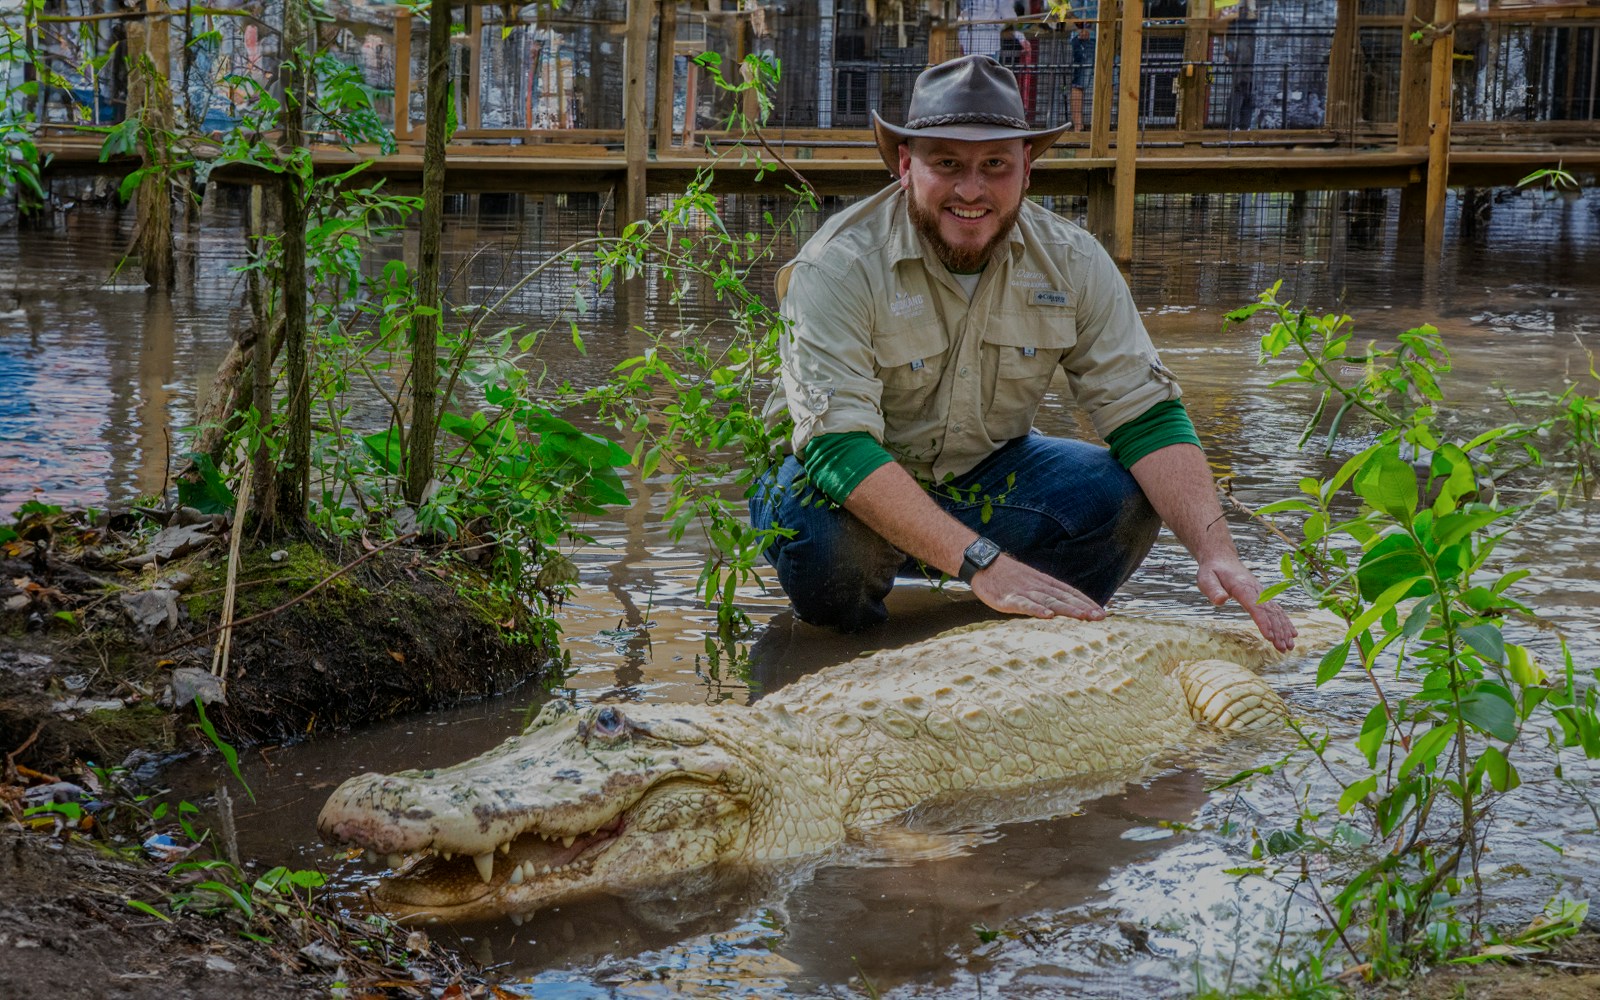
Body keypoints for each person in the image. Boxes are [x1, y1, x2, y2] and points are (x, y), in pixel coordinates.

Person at [748, 55, 1296, 652]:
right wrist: (984, 564)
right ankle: (855, 651)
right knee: (819, 542)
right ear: (906, 164)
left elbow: (1145, 414)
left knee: (1125, 499)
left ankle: (1027, 640)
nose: (971, 189)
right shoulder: (837, 265)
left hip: (987, 474)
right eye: (947, 163)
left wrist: (1219, 554)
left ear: (1026, 169)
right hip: (843, 489)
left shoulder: (1074, 260)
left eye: (995, 165)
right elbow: (836, 446)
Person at [1068, 0, 1097, 130]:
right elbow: (1069, 10)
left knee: (1110, 81)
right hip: (1085, 37)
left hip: (1107, 35)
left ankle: (1102, 125)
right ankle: (1078, 127)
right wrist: (1081, 28)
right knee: (1080, 81)